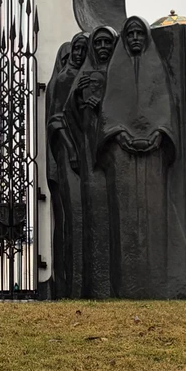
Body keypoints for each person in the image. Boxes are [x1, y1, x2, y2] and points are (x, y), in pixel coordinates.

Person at [97, 15, 186, 297]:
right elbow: (108, 110)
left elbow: (165, 108)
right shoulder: (117, 70)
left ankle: (157, 282)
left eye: (139, 34)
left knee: (154, 215)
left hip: (153, 154)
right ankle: (125, 286)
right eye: (130, 34)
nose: (135, 39)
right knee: (123, 220)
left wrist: (159, 134)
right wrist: (119, 135)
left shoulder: (156, 69)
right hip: (121, 154)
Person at [72, 26, 118, 297]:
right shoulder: (83, 74)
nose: (101, 47)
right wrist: (80, 98)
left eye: (106, 42)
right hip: (89, 147)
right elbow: (69, 112)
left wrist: (99, 102)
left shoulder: (119, 72)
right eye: (97, 42)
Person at [46, 32, 89, 297]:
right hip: (69, 152)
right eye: (77, 48)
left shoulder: (89, 76)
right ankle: (69, 283)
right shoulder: (64, 78)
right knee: (72, 214)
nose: (80, 53)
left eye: (85, 48)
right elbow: (56, 118)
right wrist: (71, 148)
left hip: (86, 152)